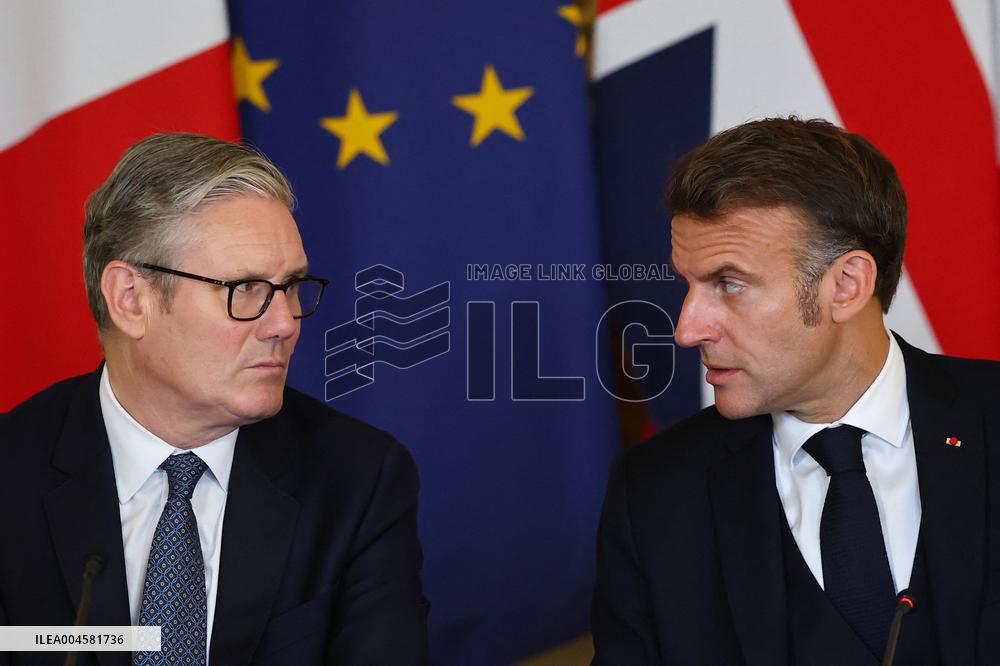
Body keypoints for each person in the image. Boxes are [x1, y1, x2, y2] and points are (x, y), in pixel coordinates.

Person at [0, 134, 429, 665]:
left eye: (291, 286)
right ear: (131, 300)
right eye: (244, 289)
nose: (284, 323)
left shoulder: (358, 479)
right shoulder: (10, 472)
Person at [591, 117, 1000, 665]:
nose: (687, 329)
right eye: (688, 285)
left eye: (729, 284)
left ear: (847, 285)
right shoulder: (654, 494)